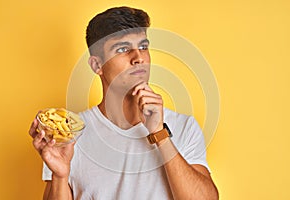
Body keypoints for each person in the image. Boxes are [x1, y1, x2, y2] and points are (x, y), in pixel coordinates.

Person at [29, 6, 219, 200]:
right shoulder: (70, 135)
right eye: (123, 49)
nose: (138, 58)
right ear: (97, 65)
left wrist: (160, 134)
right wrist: (60, 176)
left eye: (143, 47)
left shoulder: (183, 126)